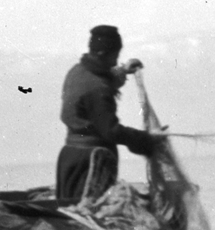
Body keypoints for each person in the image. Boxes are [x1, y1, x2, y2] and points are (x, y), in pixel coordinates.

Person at [55, 25, 159, 201]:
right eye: (115, 57)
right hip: (91, 163)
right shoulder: (97, 88)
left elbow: (101, 80)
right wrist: (146, 139)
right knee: (92, 212)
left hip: (70, 158)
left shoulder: (76, 72)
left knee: (72, 211)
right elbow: (111, 131)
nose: (114, 62)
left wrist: (123, 70)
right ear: (103, 54)